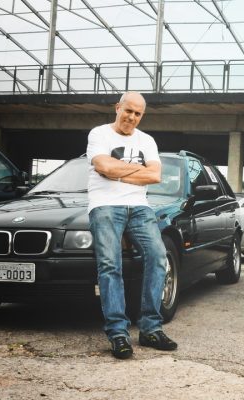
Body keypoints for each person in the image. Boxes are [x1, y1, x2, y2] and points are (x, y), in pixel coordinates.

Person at [87, 91, 177, 359]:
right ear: (118, 108)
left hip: (139, 206)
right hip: (104, 204)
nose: (132, 117)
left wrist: (116, 171)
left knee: (158, 257)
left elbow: (155, 175)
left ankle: (150, 328)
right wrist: (136, 171)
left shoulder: (146, 140)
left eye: (138, 114)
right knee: (110, 265)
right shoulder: (99, 134)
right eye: (128, 111)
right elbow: (102, 166)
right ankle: (118, 332)